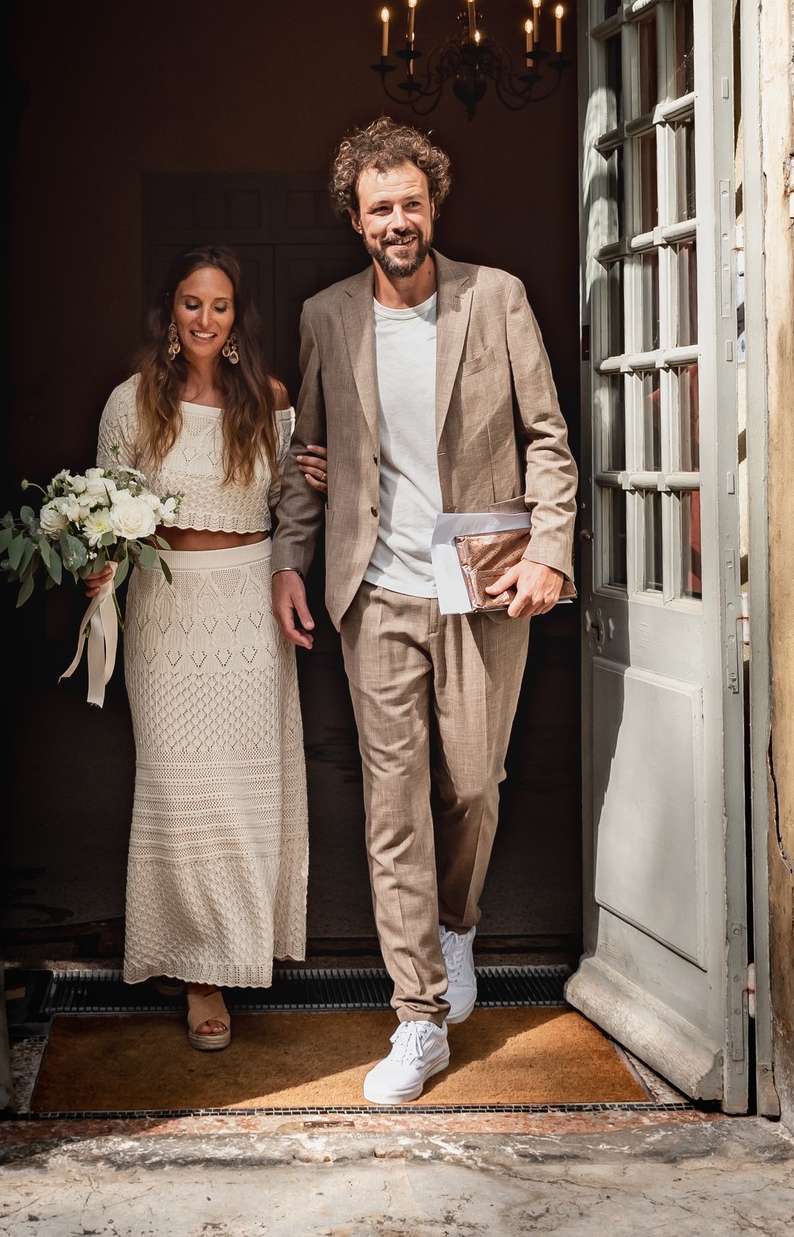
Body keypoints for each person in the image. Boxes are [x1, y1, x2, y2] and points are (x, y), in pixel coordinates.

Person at [273, 117, 577, 1105]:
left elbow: (547, 440)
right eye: (378, 208)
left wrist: (550, 554)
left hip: (481, 583)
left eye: (410, 203)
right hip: (376, 593)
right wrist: (291, 561)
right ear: (355, 220)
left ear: (431, 206)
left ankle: (458, 924)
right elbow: (306, 459)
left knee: (475, 783)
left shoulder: (494, 299)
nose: (395, 221)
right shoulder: (326, 316)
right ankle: (420, 1016)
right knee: (391, 807)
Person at [89, 246, 307, 1051]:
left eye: (219, 306)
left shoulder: (271, 400)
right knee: (181, 791)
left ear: (237, 317)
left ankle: (239, 950)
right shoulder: (131, 402)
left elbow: (294, 505)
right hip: (165, 608)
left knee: (242, 794)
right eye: (191, 304)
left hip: (249, 605)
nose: (205, 319)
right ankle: (198, 975)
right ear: (170, 313)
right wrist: (96, 564)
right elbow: (106, 507)